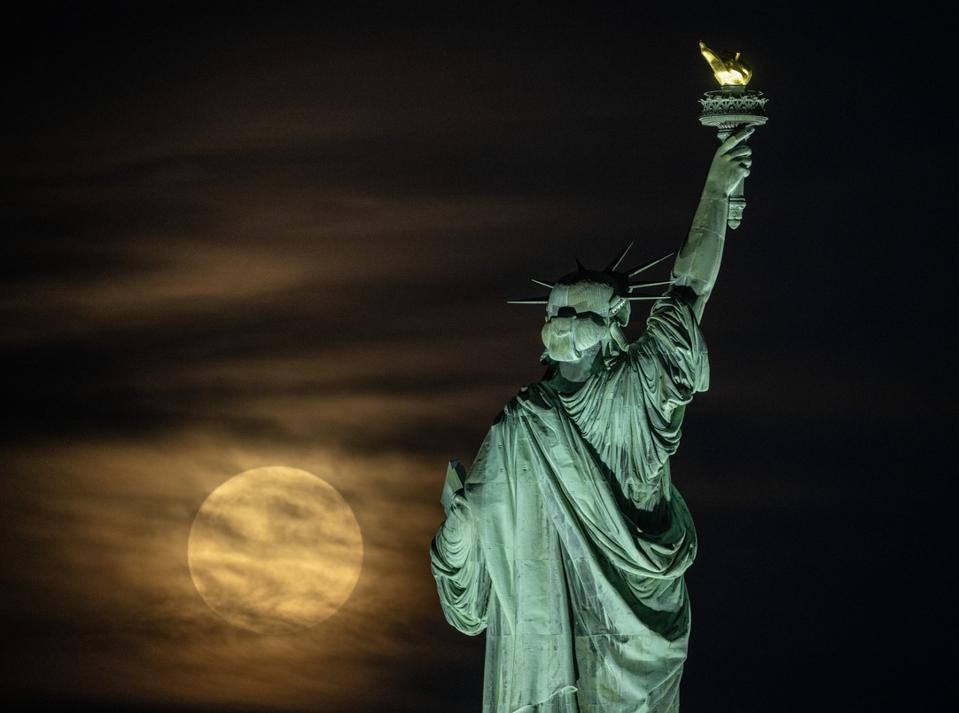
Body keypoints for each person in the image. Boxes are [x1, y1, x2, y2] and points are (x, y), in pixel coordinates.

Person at [430, 127, 754, 713]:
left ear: (615, 318)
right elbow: (468, 576)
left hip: (620, 636)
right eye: (556, 310)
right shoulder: (522, 424)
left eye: (576, 310)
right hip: (562, 639)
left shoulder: (627, 391)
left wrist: (715, 193)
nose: (562, 321)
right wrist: (458, 528)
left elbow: (689, 292)